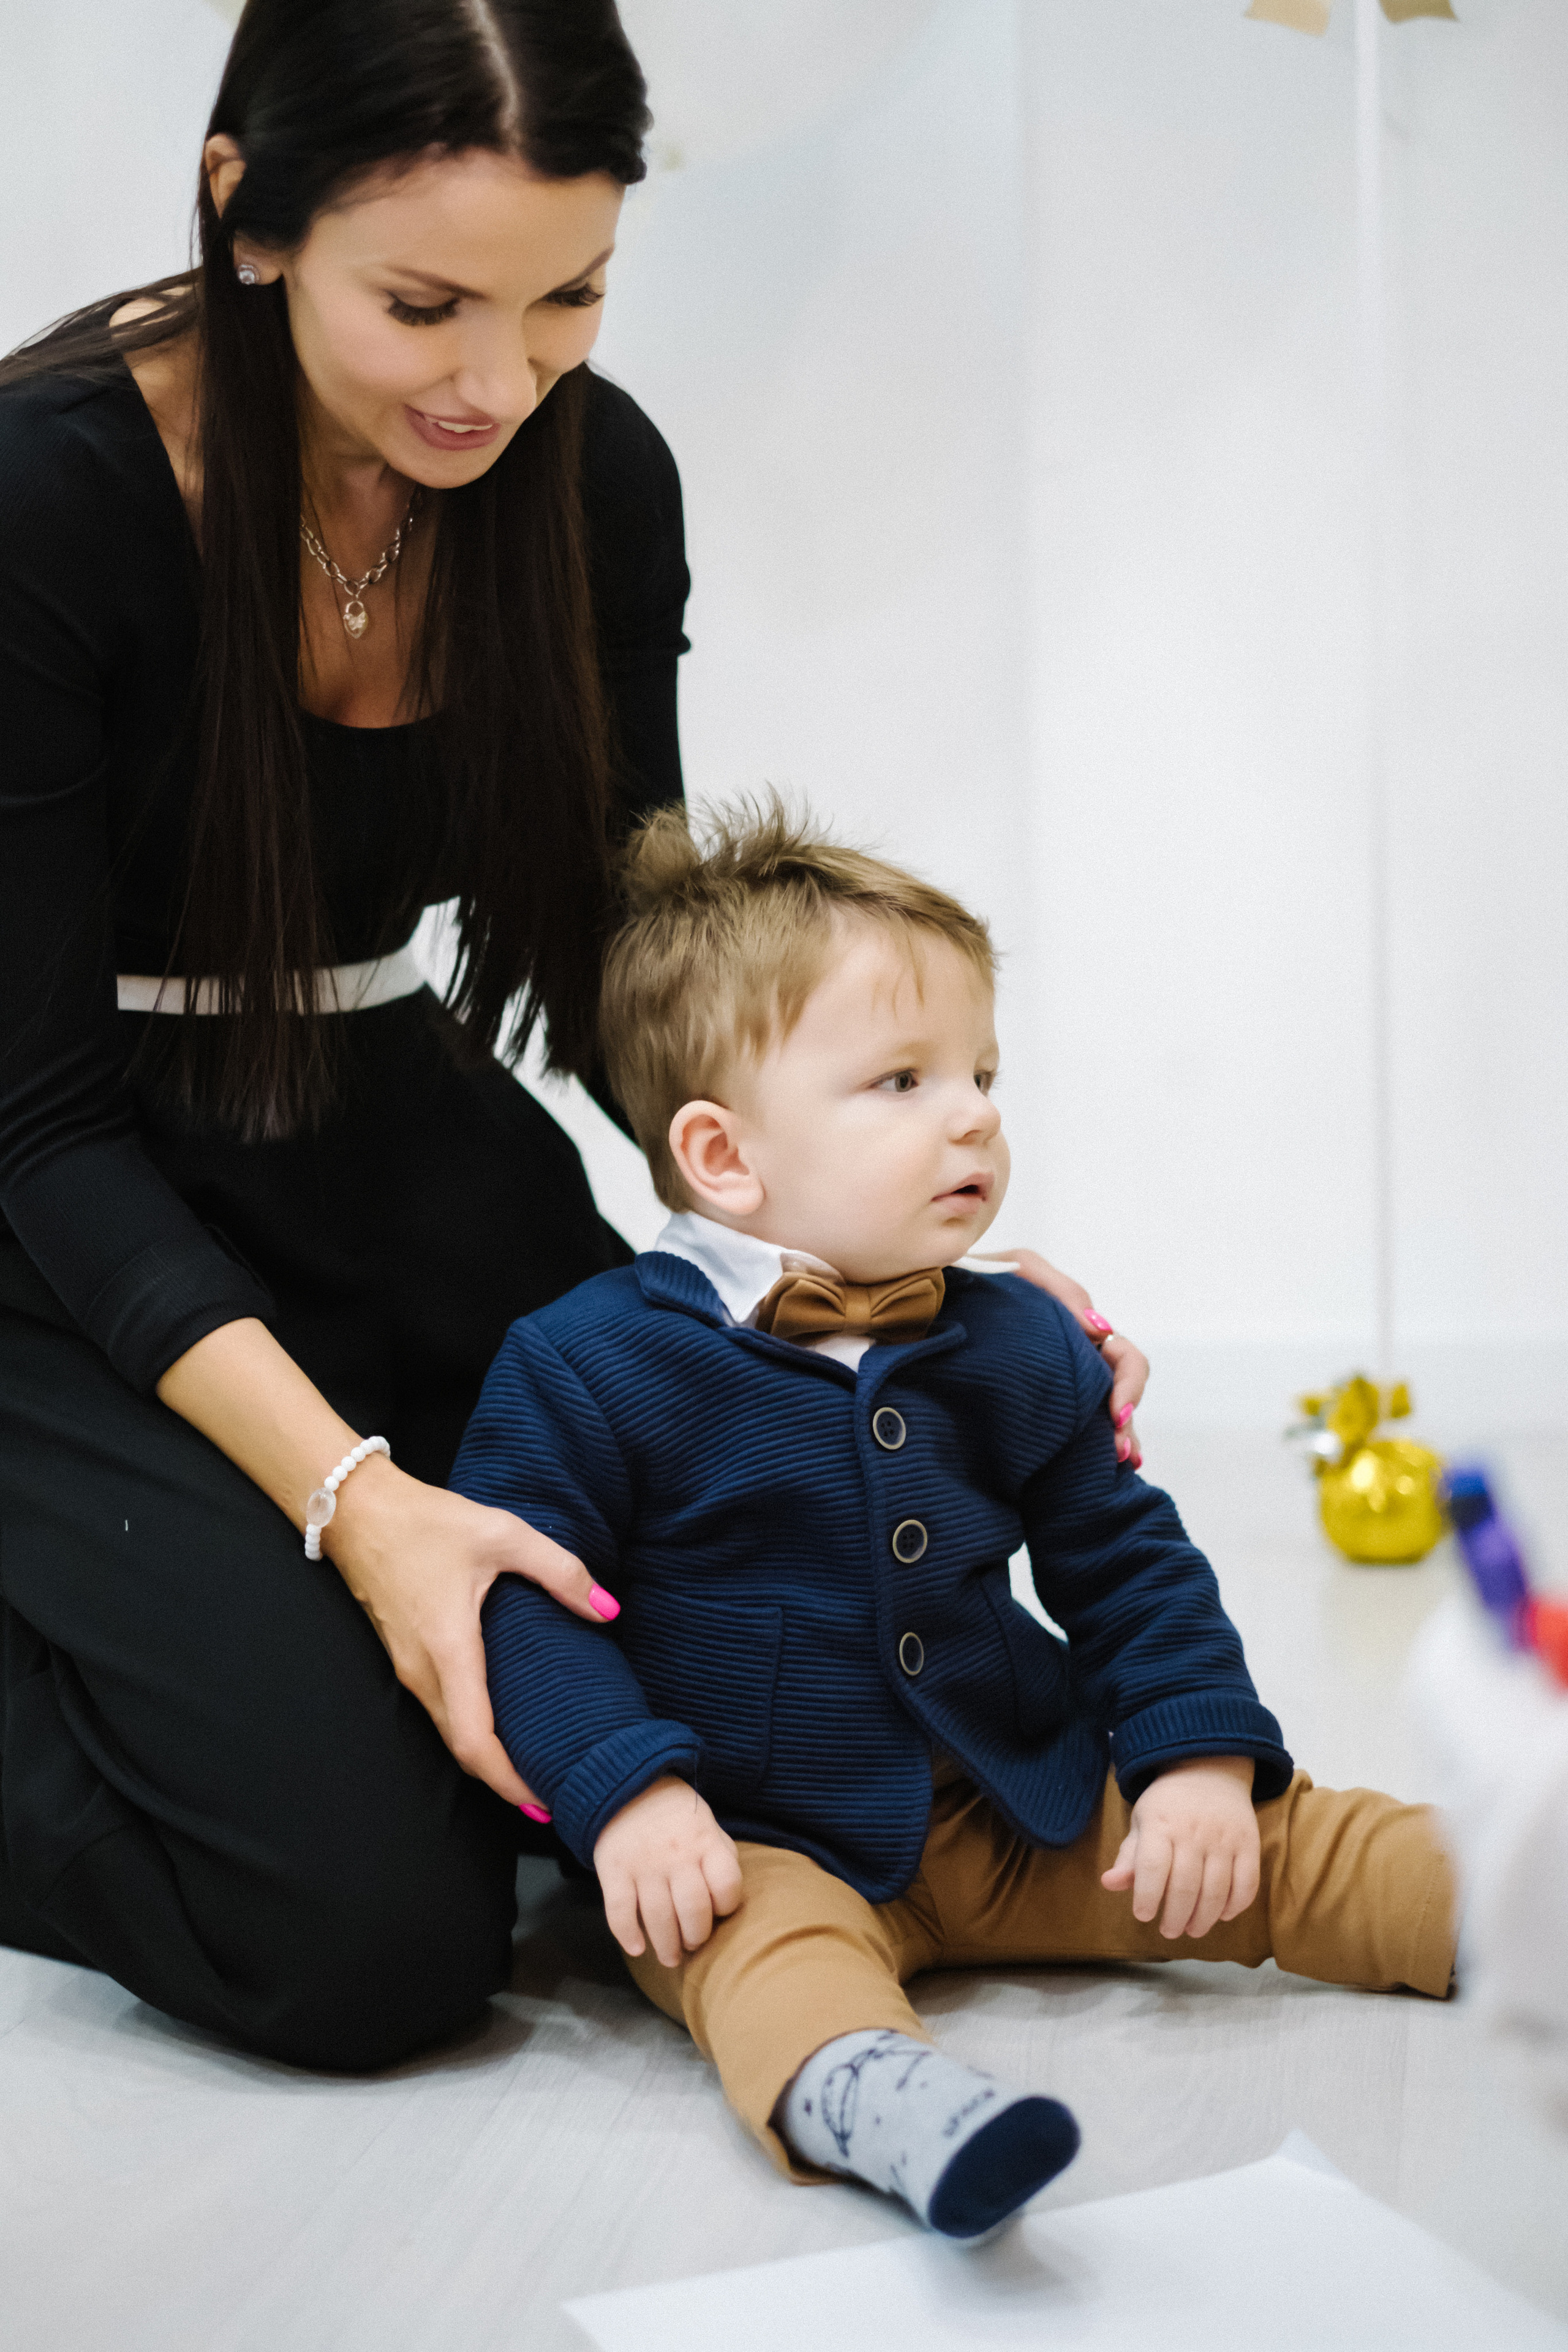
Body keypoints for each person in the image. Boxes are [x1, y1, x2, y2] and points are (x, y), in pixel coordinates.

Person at [0, 1, 1140, 2071]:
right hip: (57, 1214)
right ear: (252, 217)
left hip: (384, 1133)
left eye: (569, 297)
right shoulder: (49, 497)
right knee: (369, 1942)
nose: (497, 380)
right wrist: (355, 1497)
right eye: (424, 304)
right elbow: (41, 1123)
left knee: (726, 1691)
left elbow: (641, 959)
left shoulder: (590, 475)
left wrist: (857, 1245)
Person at [454, 802, 1459, 2239]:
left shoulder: (1014, 1339)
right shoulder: (583, 1363)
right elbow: (527, 1605)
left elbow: (1126, 1562)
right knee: (759, 1962)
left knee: (1283, 1845)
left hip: (1017, 1794)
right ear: (723, 1158)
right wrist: (631, 1793)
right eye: (902, 1080)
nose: (975, 1112)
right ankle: (885, 2102)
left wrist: (1189, 1760)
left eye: (980, 1072)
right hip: (758, 1830)